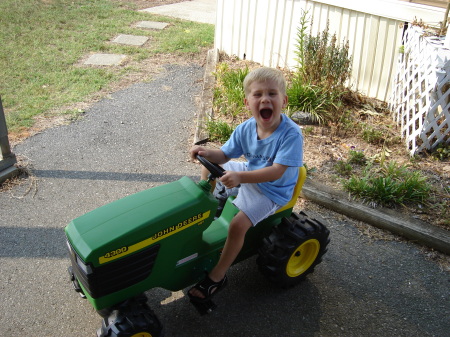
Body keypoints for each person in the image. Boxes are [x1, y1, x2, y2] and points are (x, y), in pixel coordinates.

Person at [188, 66, 303, 302]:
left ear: (283, 100)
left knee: (237, 225)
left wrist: (240, 178)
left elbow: (276, 172)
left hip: (273, 190)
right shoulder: (246, 128)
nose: (265, 99)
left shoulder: (291, 134)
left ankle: (217, 277)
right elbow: (224, 156)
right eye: (258, 94)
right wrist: (206, 152)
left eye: (272, 94)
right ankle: (207, 210)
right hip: (250, 174)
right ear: (247, 102)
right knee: (206, 167)